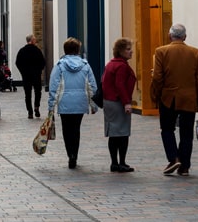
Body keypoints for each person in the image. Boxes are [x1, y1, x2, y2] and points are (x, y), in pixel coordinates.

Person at [151, 23, 198, 177]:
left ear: (170, 36)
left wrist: (155, 95)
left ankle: (173, 158)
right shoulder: (195, 53)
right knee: (186, 133)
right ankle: (184, 166)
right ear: (185, 37)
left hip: (168, 98)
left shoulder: (161, 51)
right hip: (189, 98)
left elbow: (158, 77)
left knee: (167, 129)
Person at [48, 37, 98, 169]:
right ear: (78, 50)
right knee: (76, 129)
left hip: (65, 102)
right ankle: (74, 154)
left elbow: (54, 87)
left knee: (66, 129)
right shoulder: (85, 65)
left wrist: (51, 107)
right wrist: (93, 104)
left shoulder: (59, 66)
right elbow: (92, 86)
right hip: (80, 102)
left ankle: (70, 154)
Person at [102, 38, 137, 173]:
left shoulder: (111, 64)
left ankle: (114, 163)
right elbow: (120, 85)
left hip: (109, 102)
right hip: (118, 102)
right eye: (128, 49)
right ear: (121, 51)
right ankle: (121, 162)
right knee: (122, 133)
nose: (131, 52)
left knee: (113, 134)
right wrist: (127, 103)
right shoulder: (121, 66)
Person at [15, 34, 46, 119]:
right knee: (37, 92)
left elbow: (17, 63)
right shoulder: (37, 51)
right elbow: (43, 62)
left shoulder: (22, 51)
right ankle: (37, 107)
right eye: (35, 40)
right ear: (32, 41)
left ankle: (30, 111)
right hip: (36, 75)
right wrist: (39, 70)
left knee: (27, 94)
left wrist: (23, 72)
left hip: (26, 76)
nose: (36, 41)